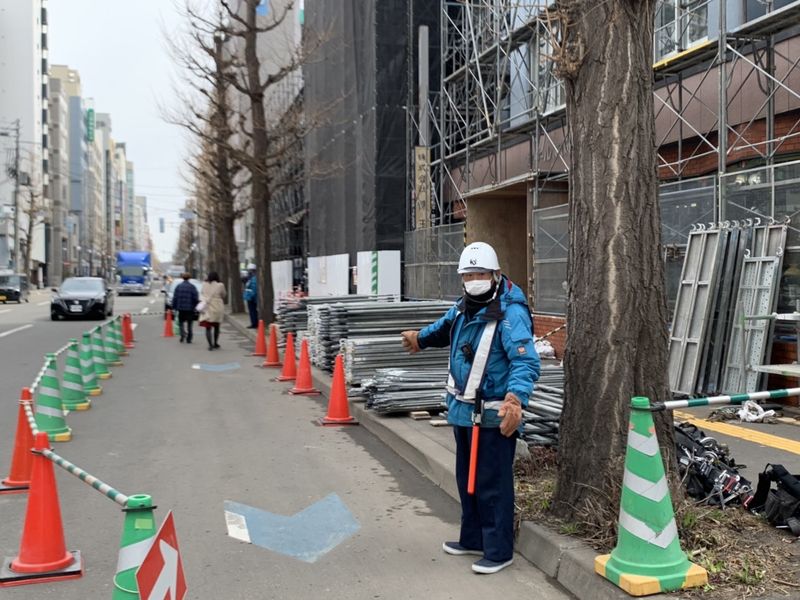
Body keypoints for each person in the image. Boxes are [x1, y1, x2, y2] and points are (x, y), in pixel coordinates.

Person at [401, 242, 540, 575]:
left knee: (493, 485)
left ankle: (499, 550)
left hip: (493, 416)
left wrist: (515, 400)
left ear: (495, 274)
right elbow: (443, 329)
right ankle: (473, 539)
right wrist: (420, 339)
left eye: (480, 274)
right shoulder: (464, 306)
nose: (474, 280)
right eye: (468, 275)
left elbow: (525, 361)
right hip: (463, 412)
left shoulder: (511, 313)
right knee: (468, 480)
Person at [200, 271, 227, 350]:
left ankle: (210, 345)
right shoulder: (220, 285)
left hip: (206, 306)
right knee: (216, 326)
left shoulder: (204, 284)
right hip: (217, 306)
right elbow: (224, 294)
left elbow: (202, 293)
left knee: (208, 327)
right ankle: (215, 343)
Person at [172, 273, 200, 344]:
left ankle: (182, 335)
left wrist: (174, 307)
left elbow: (175, 297)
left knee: (181, 322)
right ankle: (189, 338)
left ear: (183, 278)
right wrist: (196, 306)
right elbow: (195, 298)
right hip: (190, 309)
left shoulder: (178, 286)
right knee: (189, 324)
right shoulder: (192, 287)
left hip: (181, 308)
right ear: (189, 278)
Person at [244, 264, 258, 328]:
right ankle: (253, 323)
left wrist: (251, 296)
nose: (248, 272)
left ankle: (254, 324)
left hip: (252, 298)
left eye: (250, 270)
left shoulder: (254, 278)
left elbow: (254, 289)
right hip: (250, 297)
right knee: (252, 311)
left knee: (253, 311)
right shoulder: (251, 278)